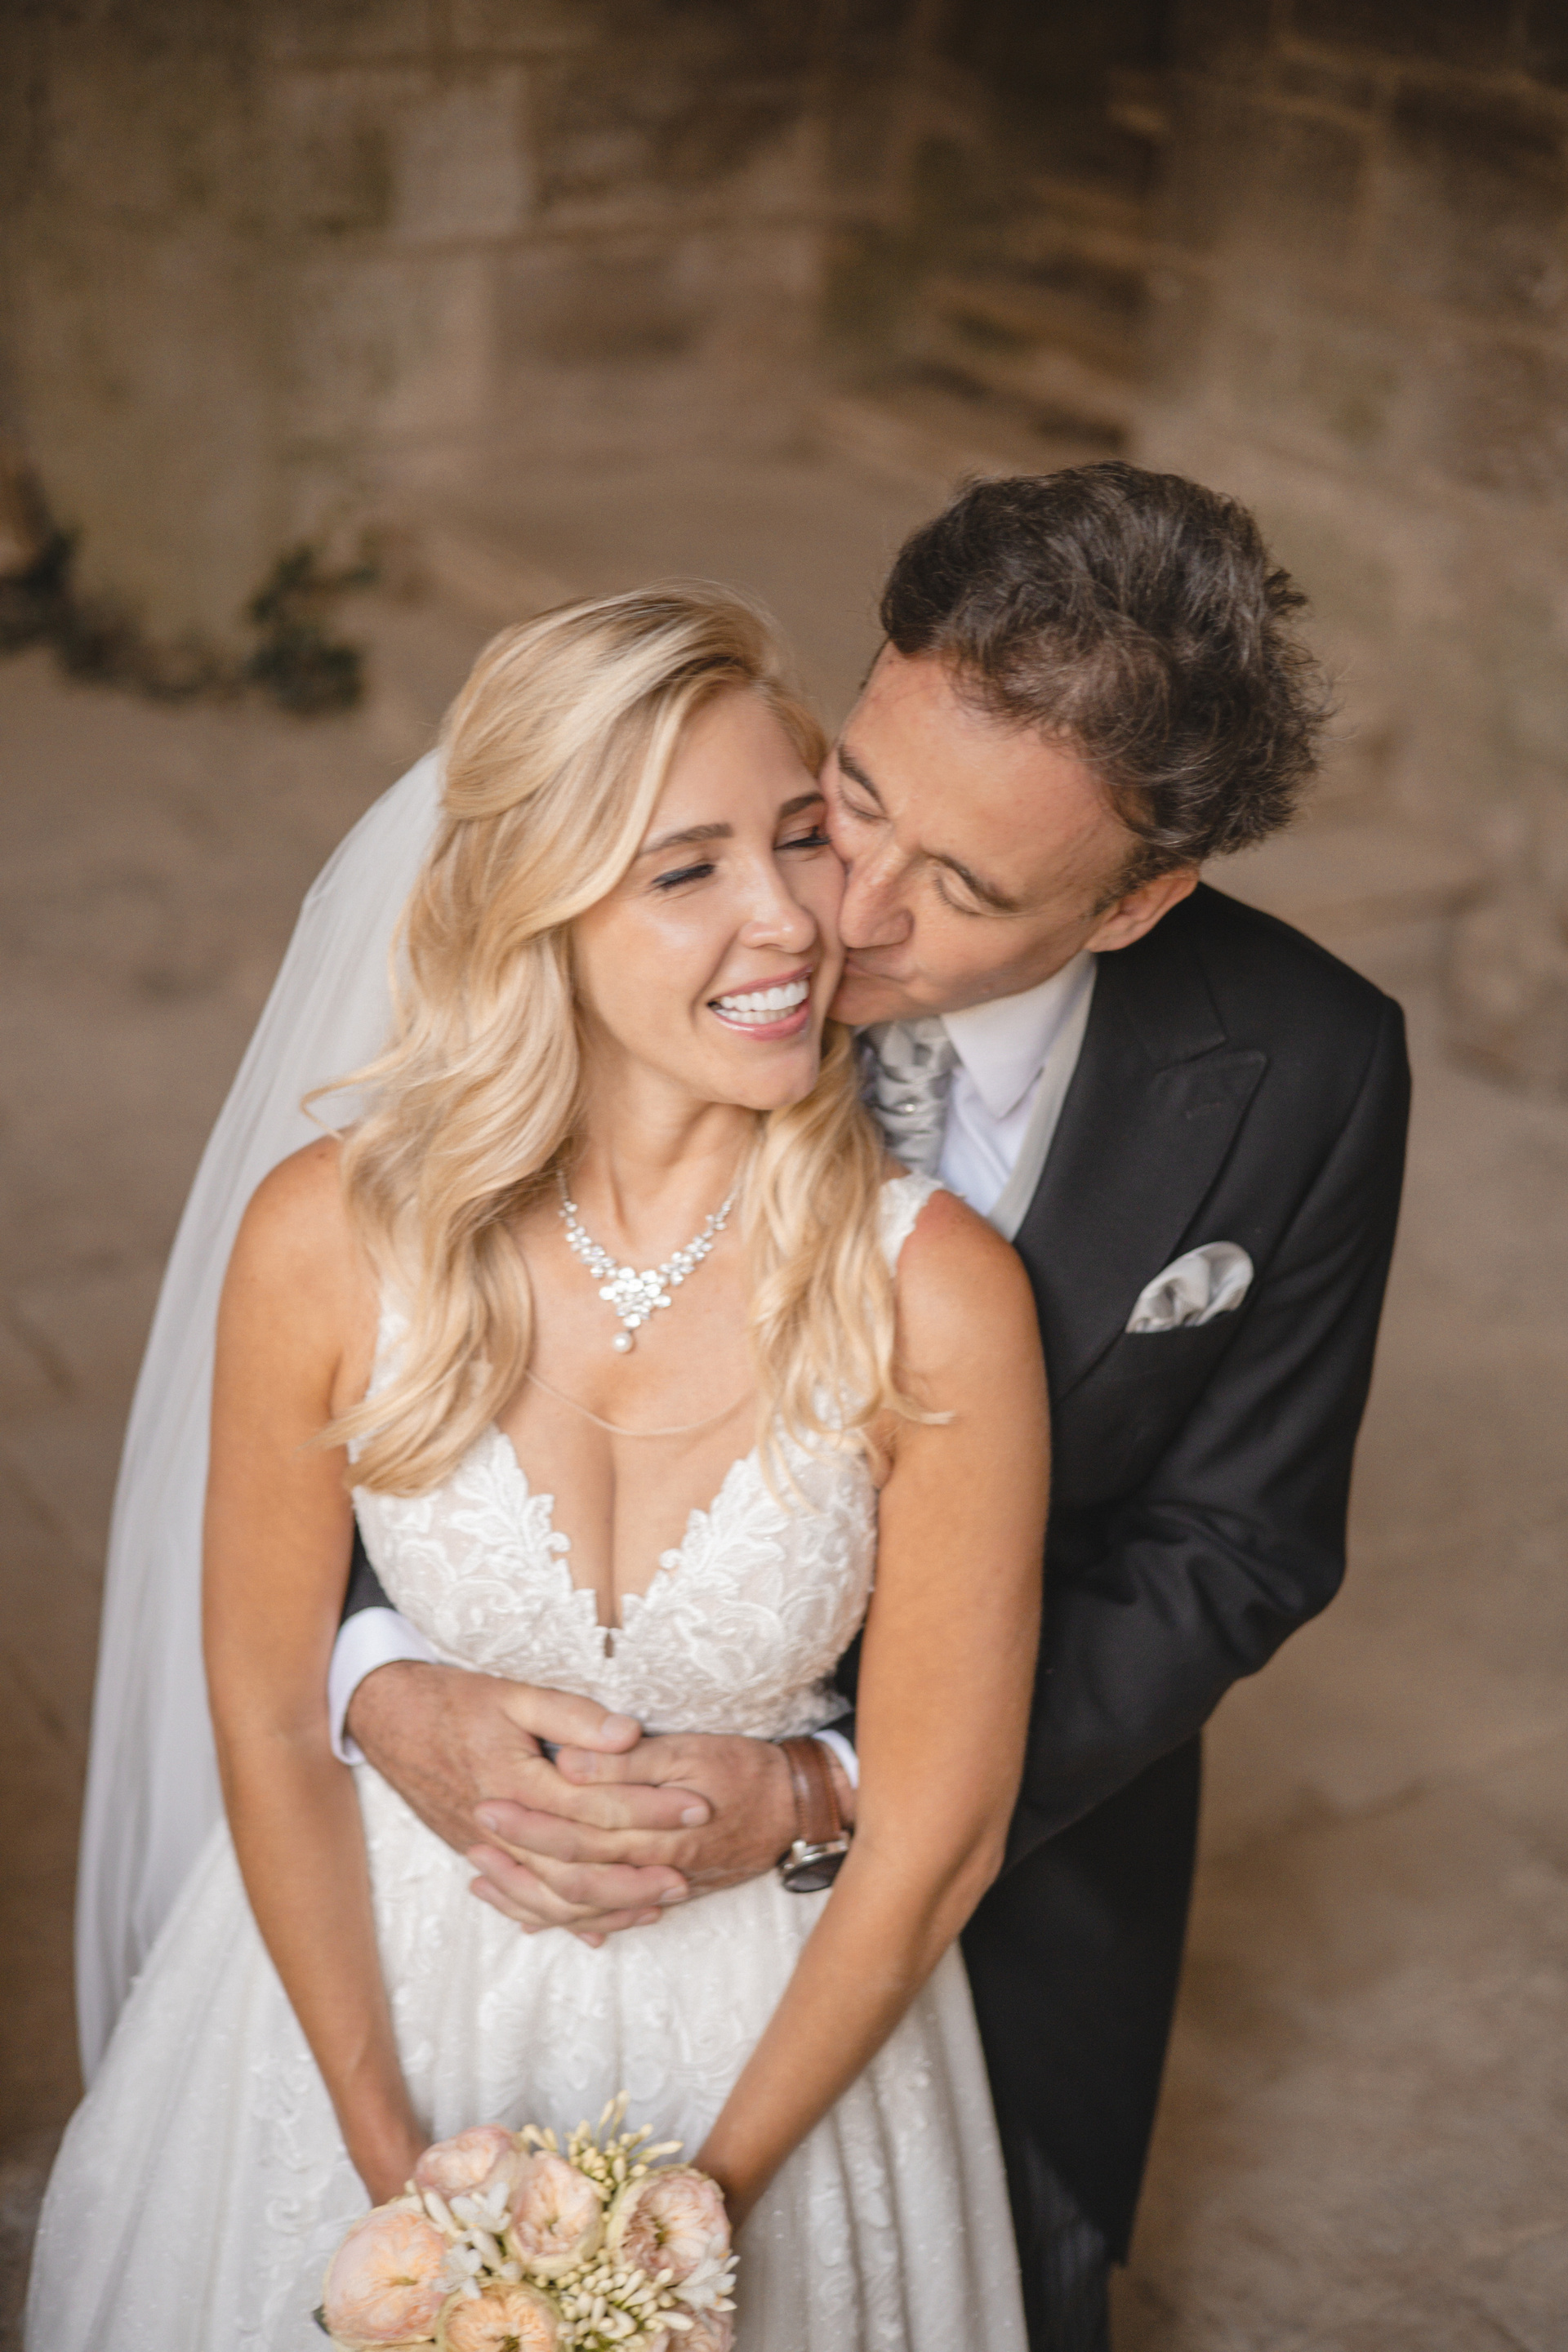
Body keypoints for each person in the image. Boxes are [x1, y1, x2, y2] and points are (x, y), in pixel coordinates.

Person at [331, 467, 1412, 2349]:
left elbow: (1235, 1545)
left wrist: (846, 1789)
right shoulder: (641, 913)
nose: (844, 910)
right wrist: (374, 1678)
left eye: (966, 890)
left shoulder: (1313, 1067)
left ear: (1141, 900)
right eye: (860, 799)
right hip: (501, 1859)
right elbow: (384, 1325)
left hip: (1014, 1895)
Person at [28, 587, 1047, 2349]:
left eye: (801, 837)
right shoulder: (327, 1241)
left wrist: (684, 2229)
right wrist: (407, 2198)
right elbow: (265, 1716)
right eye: (686, 870)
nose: (792, 918)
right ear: (535, 910)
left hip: (779, 2040)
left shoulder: (936, 1292)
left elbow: (941, 1837)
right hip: (360, 1998)